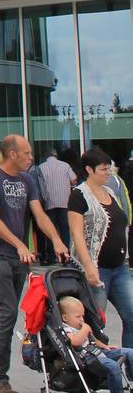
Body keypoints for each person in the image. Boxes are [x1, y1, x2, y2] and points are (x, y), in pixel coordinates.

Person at [0, 133, 69, 393]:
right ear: (12, 153)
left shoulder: (27, 180)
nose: (31, 157)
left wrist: (57, 240)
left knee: (10, 315)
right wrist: (19, 244)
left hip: (20, 258)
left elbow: (39, 215)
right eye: (27, 153)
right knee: (7, 312)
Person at [68, 146, 133, 348]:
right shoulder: (79, 195)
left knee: (131, 316)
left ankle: (130, 366)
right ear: (89, 169)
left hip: (119, 267)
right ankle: (99, 370)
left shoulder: (110, 191)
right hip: (97, 268)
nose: (109, 173)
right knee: (97, 322)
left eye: (109, 169)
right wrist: (89, 267)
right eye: (104, 169)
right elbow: (77, 234)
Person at [58, 294, 133, 393]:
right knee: (113, 366)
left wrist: (106, 347)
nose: (82, 319)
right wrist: (85, 330)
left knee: (130, 352)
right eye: (77, 317)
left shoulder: (80, 326)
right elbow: (75, 342)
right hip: (87, 358)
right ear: (65, 318)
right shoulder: (66, 329)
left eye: (82, 315)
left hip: (98, 351)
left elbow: (93, 340)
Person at [34, 147, 78, 262]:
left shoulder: (41, 167)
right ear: (56, 156)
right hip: (64, 202)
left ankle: (51, 257)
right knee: (65, 230)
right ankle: (66, 256)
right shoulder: (65, 165)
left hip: (49, 202)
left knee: (50, 230)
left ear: (46, 156)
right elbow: (74, 180)